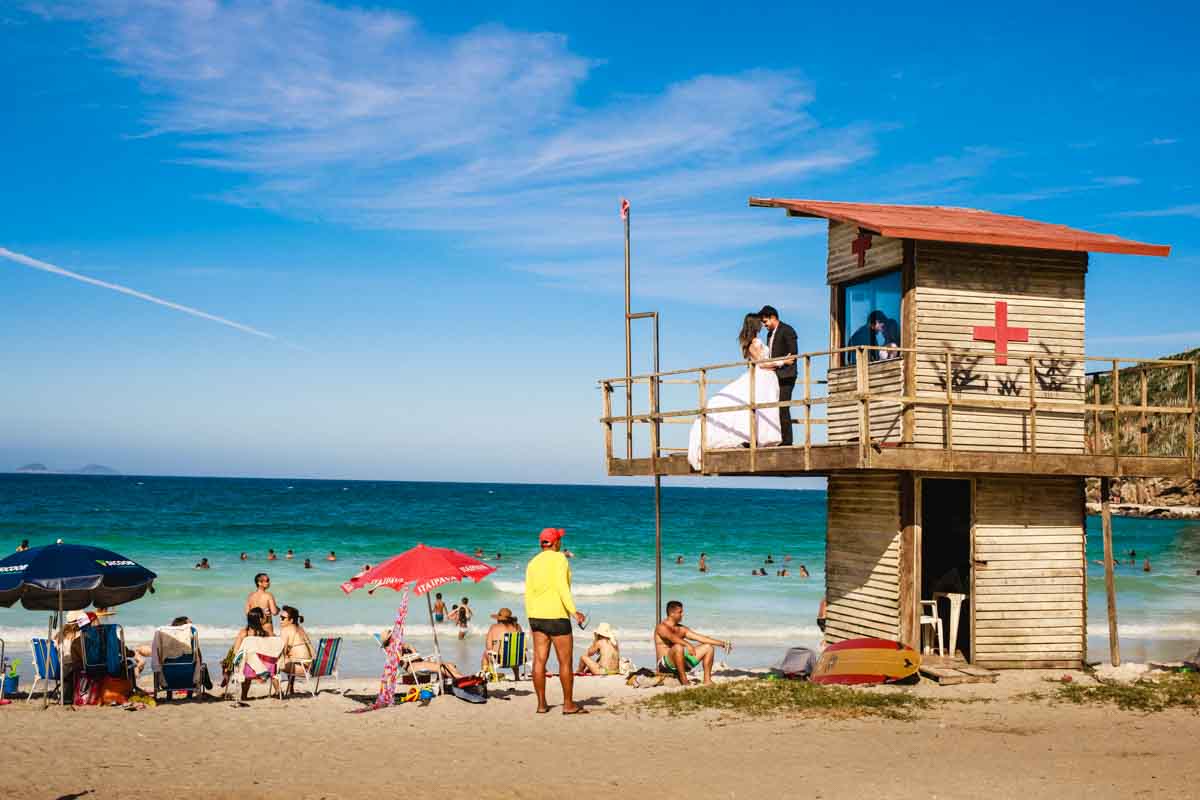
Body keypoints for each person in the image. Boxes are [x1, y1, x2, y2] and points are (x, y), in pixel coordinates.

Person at [687, 313, 782, 469]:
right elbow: (763, 363)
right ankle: (758, 437)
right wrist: (782, 362)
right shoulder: (755, 341)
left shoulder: (749, 341)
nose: (762, 324)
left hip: (763, 377)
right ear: (755, 325)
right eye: (760, 322)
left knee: (759, 406)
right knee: (760, 405)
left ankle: (756, 437)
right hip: (763, 376)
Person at [525, 527, 586, 715]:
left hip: (536, 617)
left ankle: (541, 704)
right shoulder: (560, 558)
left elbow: (529, 592)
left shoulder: (532, 562)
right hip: (557, 616)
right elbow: (562, 586)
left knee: (539, 661)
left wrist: (531, 617)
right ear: (555, 542)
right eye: (560, 539)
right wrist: (573, 611)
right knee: (565, 663)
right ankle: (568, 705)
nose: (561, 543)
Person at [654, 601, 730, 686]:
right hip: (665, 666)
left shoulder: (681, 629)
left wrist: (722, 643)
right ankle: (684, 680)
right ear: (672, 613)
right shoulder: (661, 627)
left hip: (680, 662)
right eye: (680, 612)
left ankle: (707, 680)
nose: (682, 614)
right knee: (678, 647)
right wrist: (687, 644)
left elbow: (701, 638)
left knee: (708, 647)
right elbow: (672, 638)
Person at [760, 305, 798, 446]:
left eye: (765, 322)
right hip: (774, 376)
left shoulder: (787, 330)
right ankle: (777, 438)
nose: (764, 325)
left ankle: (787, 441)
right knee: (773, 408)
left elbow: (793, 354)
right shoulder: (769, 334)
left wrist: (780, 363)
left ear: (773, 317)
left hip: (787, 375)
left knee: (783, 406)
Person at [228, 608, 278, 700]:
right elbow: (276, 645)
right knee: (273, 662)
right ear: (259, 619)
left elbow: (236, 651)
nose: (265, 618)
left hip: (248, 670)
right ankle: (278, 691)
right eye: (264, 616)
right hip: (267, 667)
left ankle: (244, 695)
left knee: (247, 660)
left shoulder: (244, 633)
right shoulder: (266, 633)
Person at [278, 605, 314, 694]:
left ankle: (277, 691)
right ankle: (290, 688)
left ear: (291, 620)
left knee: (274, 663)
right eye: (280, 617)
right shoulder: (300, 629)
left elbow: (282, 652)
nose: (280, 620)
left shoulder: (285, 630)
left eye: (283, 618)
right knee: (289, 657)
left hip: (302, 669)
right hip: (311, 667)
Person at [482, 607, 523, 680]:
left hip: (500, 661)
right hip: (517, 660)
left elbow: (488, 646)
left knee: (485, 654)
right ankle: (517, 677)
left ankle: (484, 676)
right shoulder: (518, 627)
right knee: (513, 651)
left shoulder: (494, 627)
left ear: (499, 618)